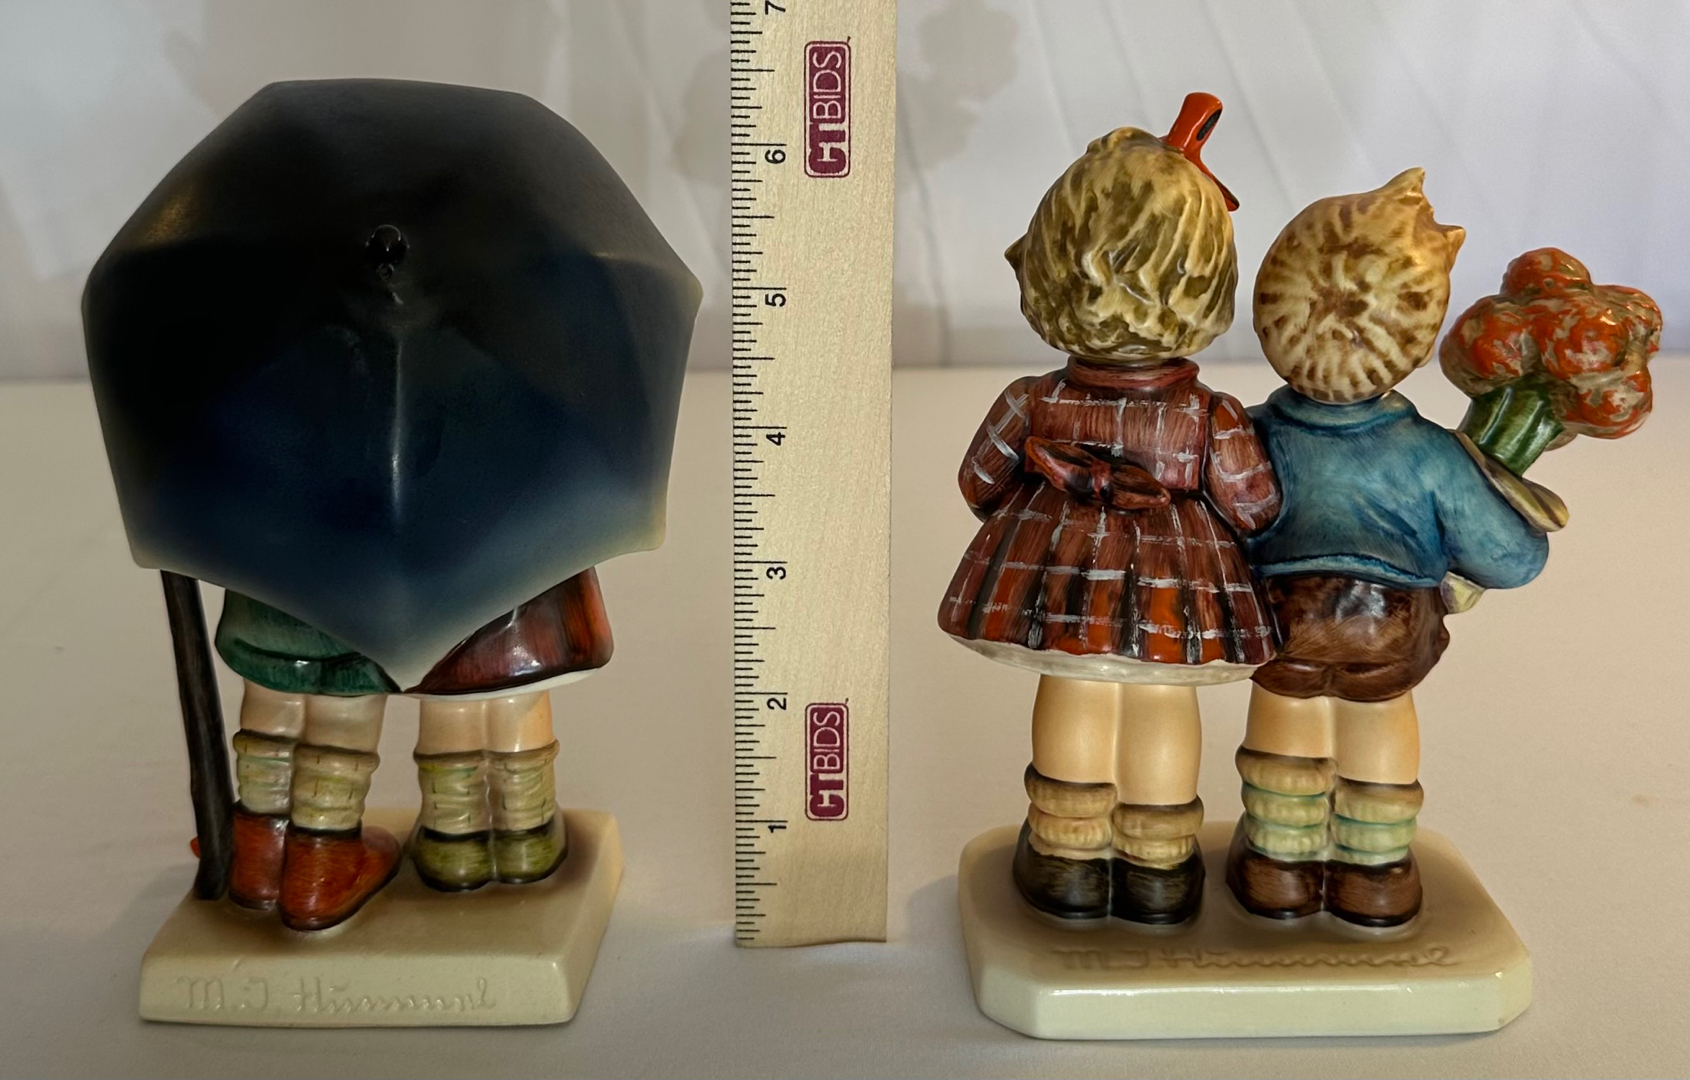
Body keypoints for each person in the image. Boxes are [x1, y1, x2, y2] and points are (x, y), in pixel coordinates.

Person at [938, 94, 1280, 925]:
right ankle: (1159, 863)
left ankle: (1067, 851)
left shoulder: (1032, 399)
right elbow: (1254, 507)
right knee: (1161, 698)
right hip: (1176, 592)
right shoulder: (1209, 415)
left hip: (1057, 578)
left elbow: (978, 483)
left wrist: (1042, 507)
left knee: (1077, 688)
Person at [1231, 169, 1548, 927]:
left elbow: (1216, 519)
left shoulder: (1248, 435)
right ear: (1415, 340)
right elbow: (1511, 560)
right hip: (1390, 622)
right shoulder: (1431, 455)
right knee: (1378, 720)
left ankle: (1279, 864)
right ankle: (1375, 872)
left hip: (1281, 620)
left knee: (1287, 720)